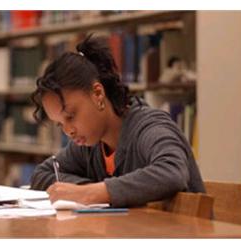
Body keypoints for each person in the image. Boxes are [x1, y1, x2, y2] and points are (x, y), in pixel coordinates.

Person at [30, 34, 205, 208]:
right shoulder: (89, 145)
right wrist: (85, 189)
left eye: (70, 116)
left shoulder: (150, 127)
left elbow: (172, 172)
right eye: (60, 124)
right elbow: (42, 173)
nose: (68, 131)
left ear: (98, 93)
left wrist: (92, 193)